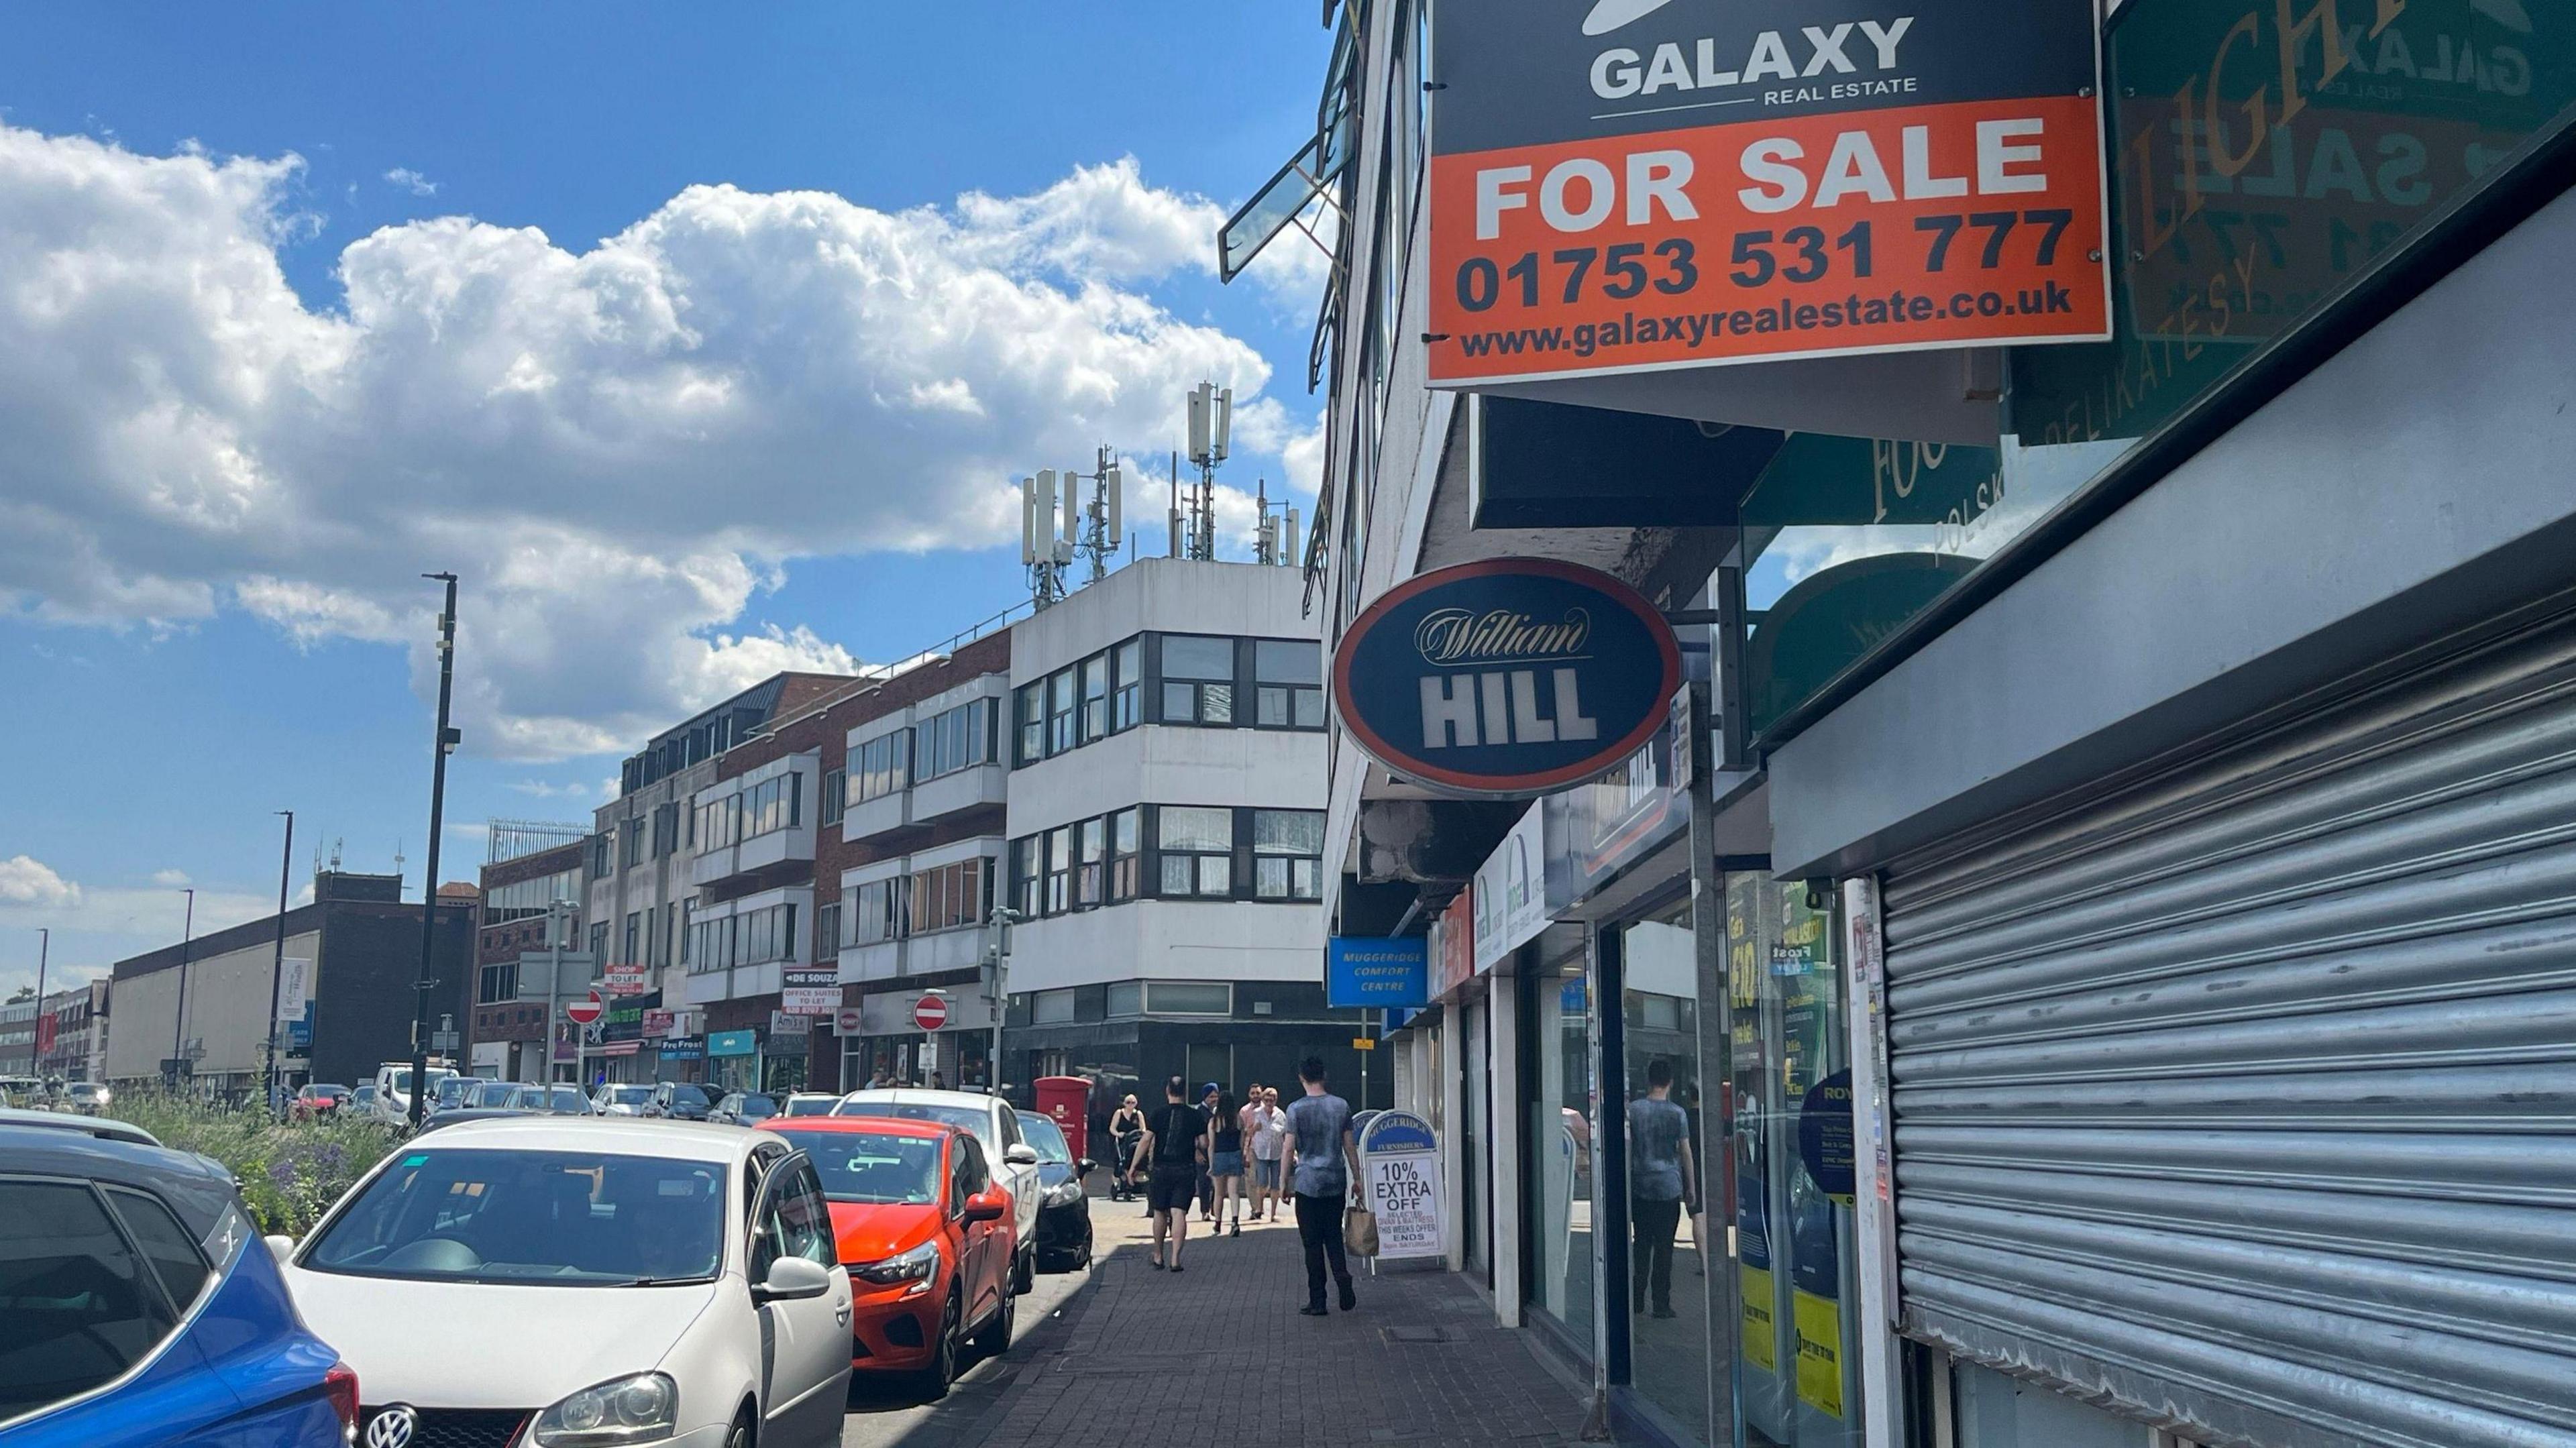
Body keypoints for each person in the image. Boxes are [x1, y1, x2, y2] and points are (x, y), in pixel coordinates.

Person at [1281, 1056, 1359, 1315]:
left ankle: (1318, 1300)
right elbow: (1349, 1146)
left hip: (1307, 1182)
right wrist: (1357, 1179)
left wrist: (1284, 1182)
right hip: (1335, 1180)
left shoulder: (1295, 1109)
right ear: (1324, 1075)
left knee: (1312, 1243)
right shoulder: (1341, 1106)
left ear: (1301, 1077)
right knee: (1334, 1236)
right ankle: (1342, 1275)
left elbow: (1289, 1147)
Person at [1627, 1057, 1697, 1319]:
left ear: (1649, 1080)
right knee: (1665, 1247)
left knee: (1641, 1243)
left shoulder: (1633, 1110)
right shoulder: (1677, 1113)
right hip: (1669, 1186)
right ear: (1669, 1082)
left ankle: (1636, 1298)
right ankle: (1661, 1303)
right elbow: (1686, 1153)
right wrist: (1690, 1187)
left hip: (1640, 1184)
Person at [1138, 1076, 1205, 1271]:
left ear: (1167, 1090)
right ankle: (1176, 1259)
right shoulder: (1195, 1116)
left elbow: (1145, 1141)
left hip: (1161, 1169)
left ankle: (1158, 1255)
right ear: (1185, 1092)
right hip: (1185, 1169)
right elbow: (1204, 1143)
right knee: (1179, 1213)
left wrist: (1134, 1165)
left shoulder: (1158, 1114)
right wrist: (1198, 1148)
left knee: (1159, 1211)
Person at [1206, 1090, 1247, 1236]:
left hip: (1219, 1156)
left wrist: (1211, 1165)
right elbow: (1242, 1142)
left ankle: (1218, 1223)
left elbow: (1211, 1145)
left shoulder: (1214, 1121)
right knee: (1234, 1192)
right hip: (1235, 1154)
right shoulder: (1238, 1119)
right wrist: (1241, 1156)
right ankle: (1235, 1222)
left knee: (1219, 1193)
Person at [1246, 1084, 1287, 1223]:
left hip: (1276, 1152)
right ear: (1263, 1100)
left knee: (1275, 1184)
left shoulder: (1280, 1115)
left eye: (1272, 1100)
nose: (1269, 1103)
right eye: (1267, 1100)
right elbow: (1249, 1132)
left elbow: (1284, 1134)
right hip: (1261, 1152)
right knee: (1262, 1183)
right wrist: (1254, 1129)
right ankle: (1260, 1208)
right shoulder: (1257, 1113)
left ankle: (1273, 1214)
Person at [1108, 1093, 1148, 1203]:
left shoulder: (1138, 1114)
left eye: (1133, 1103)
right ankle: (1122, 1183)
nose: (1131, 1105)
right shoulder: (1119, 1113)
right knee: (1121, 1162)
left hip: (1134, 1141)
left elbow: (1143, 1128)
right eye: (1128, 1103)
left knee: (1133, 1162)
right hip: (1122, 1141)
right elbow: (1112, 1128)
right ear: (1124, 1104)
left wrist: (1141, 1134)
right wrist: (1118, 1134)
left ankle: (1129, 1187)